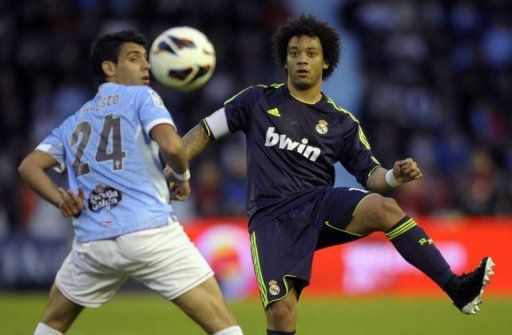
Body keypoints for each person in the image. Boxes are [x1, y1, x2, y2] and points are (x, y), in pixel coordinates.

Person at [179, 15, 495, 335]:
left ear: (326, 61)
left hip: (319, 205)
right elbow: (206, 130)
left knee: (384, 208)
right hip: (272, 219)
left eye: (311, 53)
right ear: (285, 62)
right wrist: (176, 164)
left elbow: (370, 175)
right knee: (282, 315)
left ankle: (457, 288)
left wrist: (394, 177)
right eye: (294, 53)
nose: (302, 59)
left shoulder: (341, 122)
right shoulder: (257, 100)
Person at [18, 30, 243, 335]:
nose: (147, 67)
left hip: (93, 243)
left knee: (53, 324)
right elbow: (174, 147)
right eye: (135, 59)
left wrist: (60, 199)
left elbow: (28, 166)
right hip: (149, 234)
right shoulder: (142, 96)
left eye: (146, 60)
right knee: (222, 324)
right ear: (109, 68)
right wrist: (181, 176)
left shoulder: (74, 120)